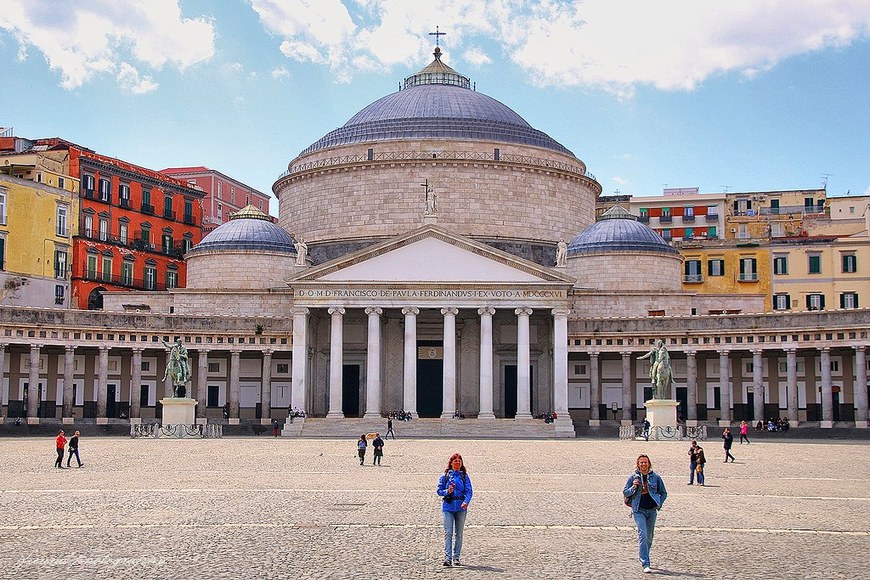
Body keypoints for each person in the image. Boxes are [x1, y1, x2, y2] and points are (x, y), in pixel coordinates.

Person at [623, 454, 667, 573]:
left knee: (649, 537)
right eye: (641, 462)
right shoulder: (633, 477)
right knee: (643, 534)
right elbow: (625, 492)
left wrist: (659, 503)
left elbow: (663, 493)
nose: (643, 464)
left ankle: (645, 555)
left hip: (651, 511)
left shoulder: (656, 477)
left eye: (645, 462)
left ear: (649, 464)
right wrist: (634, 487)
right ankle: (645, 563)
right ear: (638, 464)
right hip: (639, 510)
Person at [437, 453, 473, 567]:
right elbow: (439, 491)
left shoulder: (464, 477)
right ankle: (448, 558)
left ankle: (456, 557)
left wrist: (466, 502)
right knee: (448, 533)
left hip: (461, 508)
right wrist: (448, 491)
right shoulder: (445, 476)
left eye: (459, 461)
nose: (458, 463)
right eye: (455, 461)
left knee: (459, 534)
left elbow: (469, 491)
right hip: (448, 507)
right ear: (451, 463)